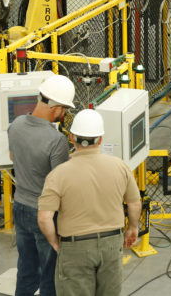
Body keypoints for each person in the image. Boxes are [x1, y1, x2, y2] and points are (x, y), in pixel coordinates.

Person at [37, 109, 142, 296]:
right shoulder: (120, 166)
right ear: (100, 139)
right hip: (112, 244)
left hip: (75, 246)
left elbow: (45, 218)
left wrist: (54, 242)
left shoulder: (58, 174)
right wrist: (132, 228)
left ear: (72, 137)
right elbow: (134, 203)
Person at [8, 74, 76, 296]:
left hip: (19, 206)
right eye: (64, 109)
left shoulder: (16, 125)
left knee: (27, 270)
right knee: (50, 273)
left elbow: (13, 156)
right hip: (45, 214)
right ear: (56, 109)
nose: (64, 114)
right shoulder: (56, 140)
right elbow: (61, 182)